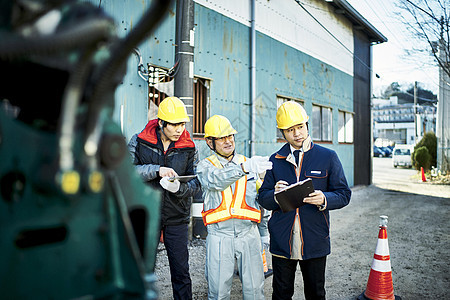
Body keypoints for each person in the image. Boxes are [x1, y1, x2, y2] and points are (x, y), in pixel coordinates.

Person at [257, 101, 351, 300]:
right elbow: (263, 198)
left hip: (315, 238)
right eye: (290, 130)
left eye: (300, 127)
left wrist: (324, 198)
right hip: (283, 239)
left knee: (315, 293)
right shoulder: (275, 160)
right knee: (281, 293)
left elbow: (343, 193)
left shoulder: (327, 157)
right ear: (282, 132)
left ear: (307, 125)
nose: (297, 133)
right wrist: (274, 195)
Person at [128, 96, 201, 300]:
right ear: (161, 123)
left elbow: (197, 182)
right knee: (142, 270)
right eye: (175, 124)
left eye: (182, 124)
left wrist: (179, 188)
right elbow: (127, 171)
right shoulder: (140, 141)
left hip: (177, 217)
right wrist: (156, 170)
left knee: (181, 272)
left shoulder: (189, 147)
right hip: (146, 216)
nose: (180, 129)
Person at [196, 115, 272, 300]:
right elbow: (216, 181)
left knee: (255, 291)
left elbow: (260, 199)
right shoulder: (205, 167)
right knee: (218, 293)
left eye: (230, 136)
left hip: (249, 235)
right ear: (210, 142)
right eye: (221, 138)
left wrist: (264, 233)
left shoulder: (249, 163)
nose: (228, 141)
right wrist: (243, 168)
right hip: (220, 237)